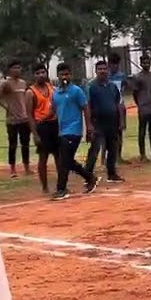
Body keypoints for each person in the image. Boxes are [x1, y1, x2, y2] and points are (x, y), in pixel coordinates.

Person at [51, 63, 98, 200]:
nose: (65, 77)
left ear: (70, 75)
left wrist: (89, 126)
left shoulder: (76, 91)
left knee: (64, 161)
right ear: (58, 76)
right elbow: (53, 111)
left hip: (73, 130)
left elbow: (85, 108)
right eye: (62, 74)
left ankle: (61, 189)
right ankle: (90, 177)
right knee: (67, 160)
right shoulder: (56, 93)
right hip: (61, 130)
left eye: (67, 74)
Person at [84, 59, 125, 183]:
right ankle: (88, 175)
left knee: (113, 148)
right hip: (98, 123)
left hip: (112, 122)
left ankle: (111, 173)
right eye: (99, 69)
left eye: (104, 69)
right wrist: (89, 124)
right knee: (95, 149)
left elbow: (118, 104)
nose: (102, 71)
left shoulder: (113, 86)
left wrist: (121, 121)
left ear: (108, 70)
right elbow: (88, 105)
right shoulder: (91, 86)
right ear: (96, 71)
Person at [0, 61, 32, 179]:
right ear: (10, 70)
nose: (17, 70)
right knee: (12, 144)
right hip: (12, 120)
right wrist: (6, 107)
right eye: (15, 68)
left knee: (25, 144)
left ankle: (27, 167)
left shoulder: (23, 83)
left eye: (19, 67)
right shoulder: (5, 83)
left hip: (24, 118)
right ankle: (13, 169)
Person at [26, 65, 59, 195]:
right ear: (33, 75)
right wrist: (34, 134)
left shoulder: (52, 88)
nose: (41, 75)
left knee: (58, 156)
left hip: (54, 124)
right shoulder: (30, 92)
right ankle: (44, 187)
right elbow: (29, 115)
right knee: (43, 157)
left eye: (43, 72)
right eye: (37, 72)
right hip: (41, 126)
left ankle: (60, 184)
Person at [127, 57, 151, 161]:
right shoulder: (137, 77)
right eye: (144, 63)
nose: (147, 65)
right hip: (143, 108)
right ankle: (142, 154)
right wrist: (139, 104)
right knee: (142, 131)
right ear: (141, 64)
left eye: (148, 63)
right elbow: (135, 93)